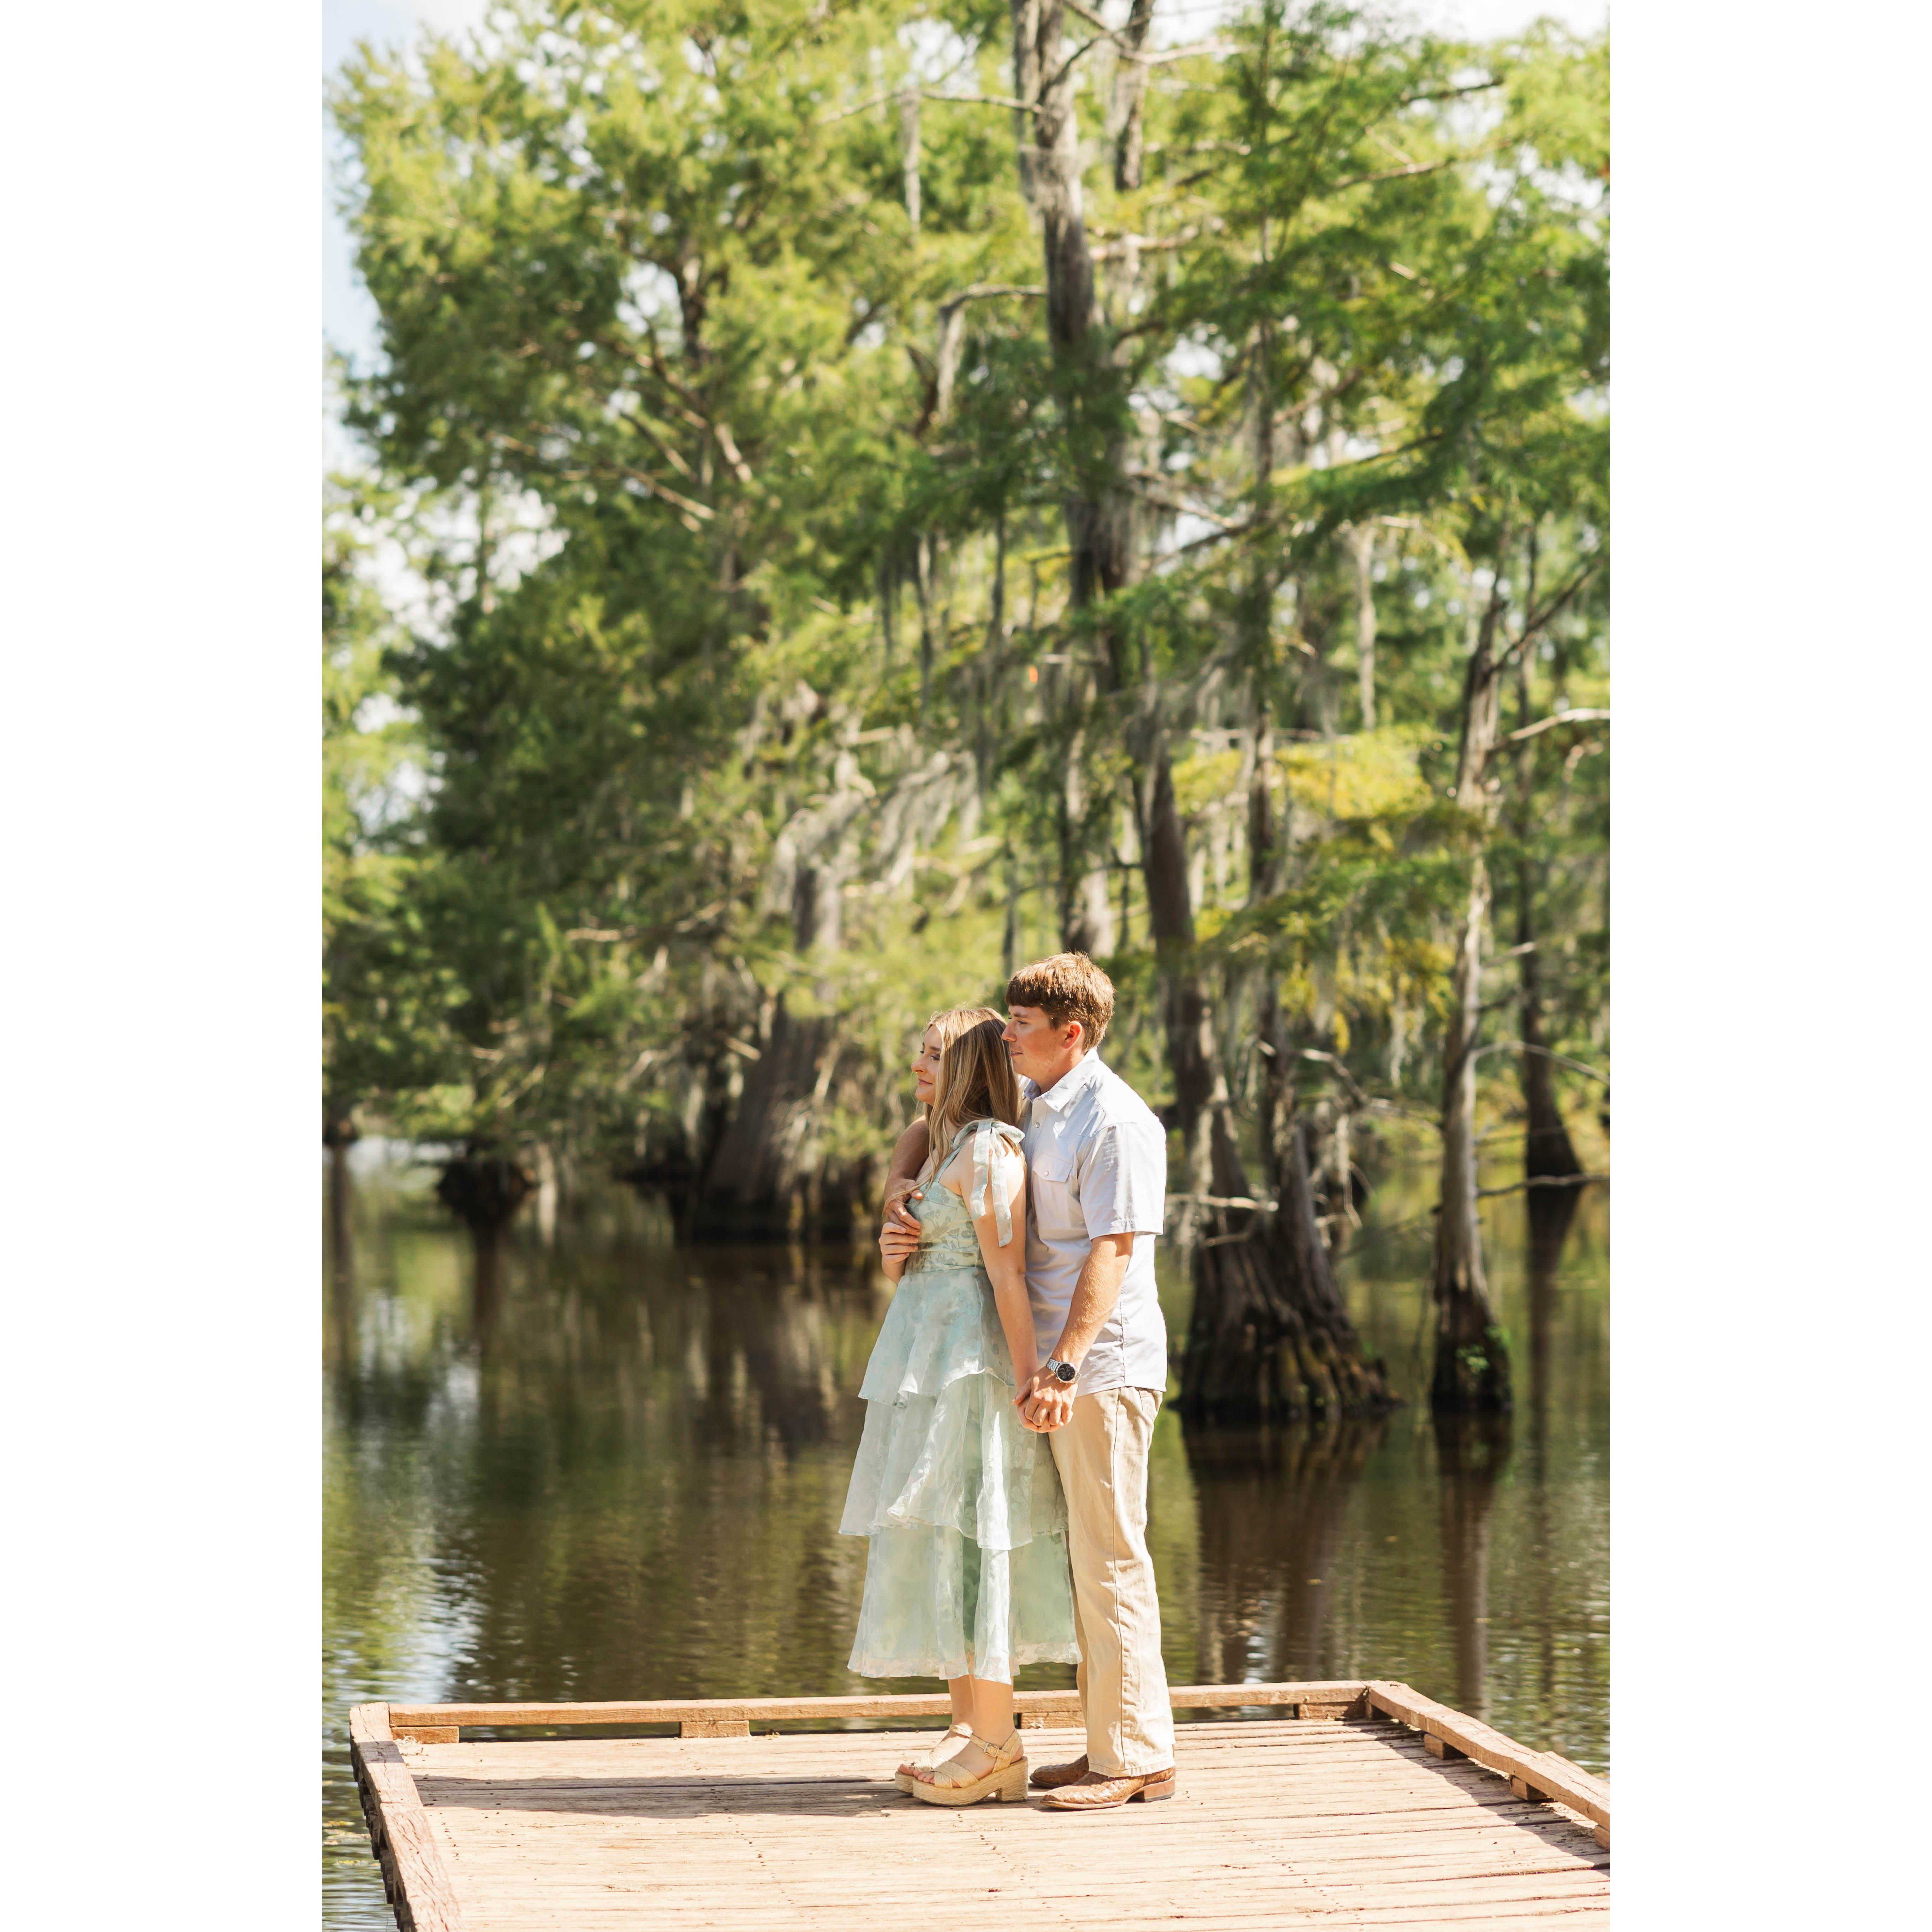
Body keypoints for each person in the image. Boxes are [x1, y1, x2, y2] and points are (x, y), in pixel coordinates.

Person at [882, 954, 1178, 1811]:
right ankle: (1107, 1748)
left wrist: (1061, 1365)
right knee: (1086, 1562)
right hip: (1053, 1371)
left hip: (1100, 1369)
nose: (1005, 1035)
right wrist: (903, 1190)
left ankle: (1133, 1763)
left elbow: (1114, 1252)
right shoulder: (1042, 1110)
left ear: (1071, 1033)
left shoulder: (1116, 1123)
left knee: (1112, 1558)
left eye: (1021, 1025)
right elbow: (936, 1126)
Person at [840, 1008, 1078, 1807]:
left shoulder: (990, 1149)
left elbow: (1006, 1273)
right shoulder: (940, 1141)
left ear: (972, 1065)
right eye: (920, 1047)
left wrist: (1027, 1379)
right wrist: (893, 1236)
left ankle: (998, 1742)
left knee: (978, 1537)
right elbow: (912, 1234)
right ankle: (967, 1728)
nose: (920, 1062)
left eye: (937, 1054)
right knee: (941, 1531)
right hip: (924, 1359)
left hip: (973, 1364)